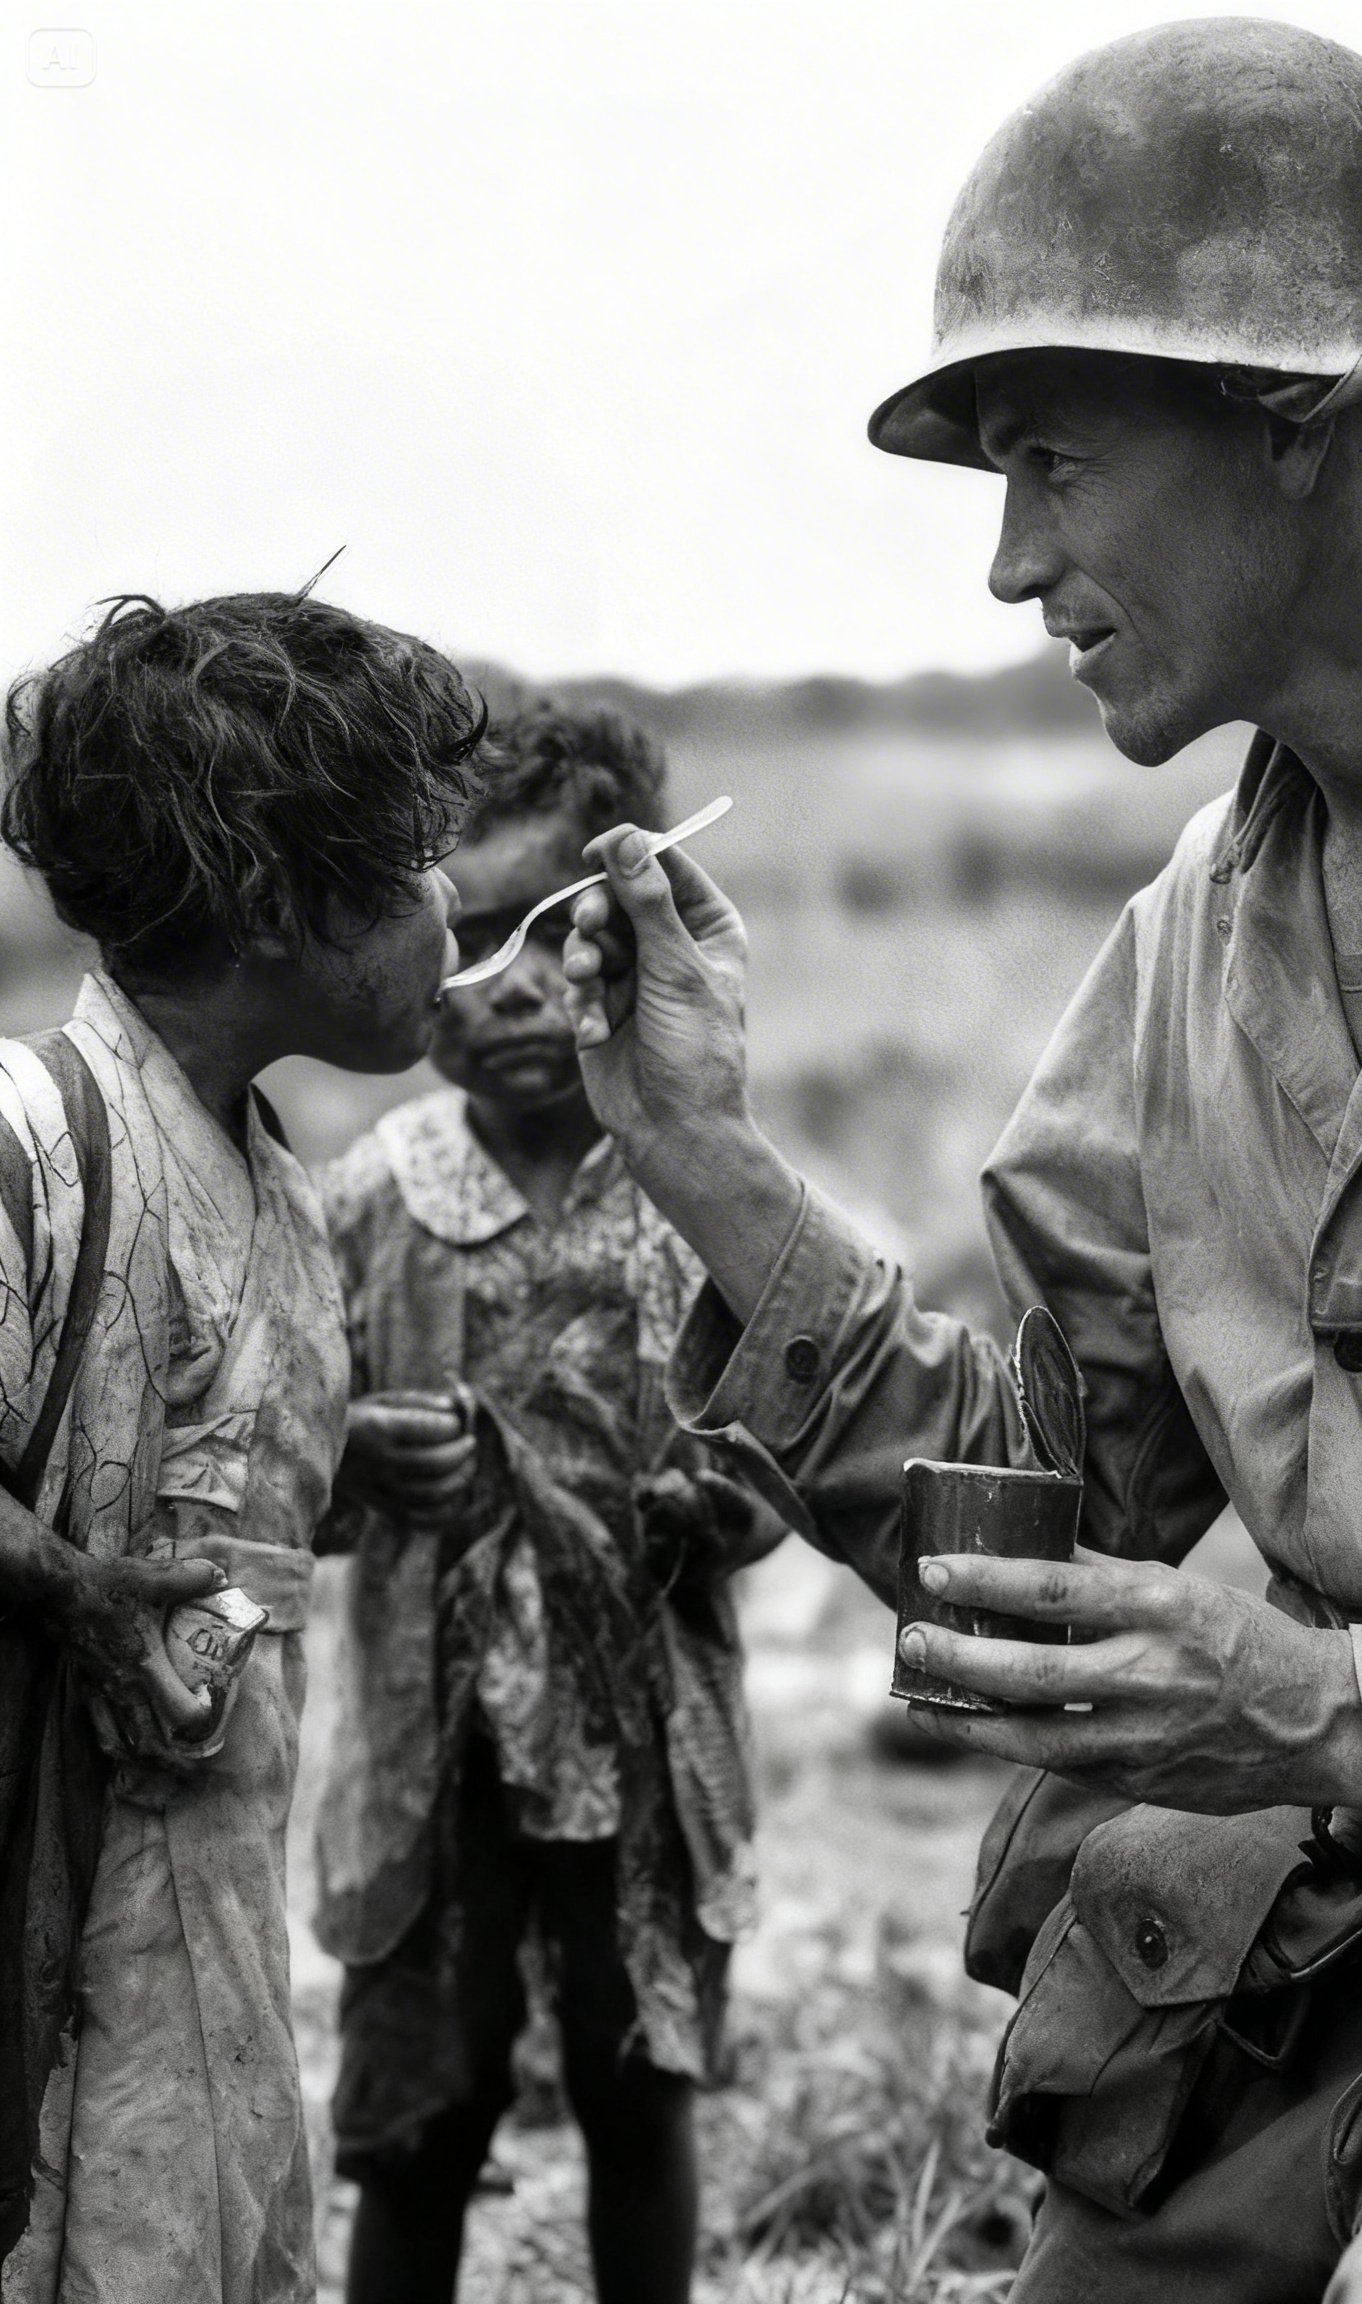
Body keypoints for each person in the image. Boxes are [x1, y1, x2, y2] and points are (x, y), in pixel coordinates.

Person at [558, 20, 1362, 2302]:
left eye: (1054, 462)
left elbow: (1287, 1693)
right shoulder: (1182, 958)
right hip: (1292, 1993)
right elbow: (1053, 1547)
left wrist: (1330, 1711)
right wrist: (705, 1165)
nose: (1011, 564)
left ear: (1293, 413)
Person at [0, 589, 481, 2302]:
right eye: (417, 860)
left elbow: (200, 1483)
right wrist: (69, 1589)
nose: (456, 904)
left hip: (206, 1878)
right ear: (276, 900)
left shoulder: (272, 1181)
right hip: (41, 1852)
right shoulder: (34, 1135)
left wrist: (345, 1487)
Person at [313, 700, 777, 2304]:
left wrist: (729, 1506)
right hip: (431, 1769)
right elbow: (269, 1467)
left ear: (625, 933)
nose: (501, 985)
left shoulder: (703, 1186)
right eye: (462, 932)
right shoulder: (370, 1201)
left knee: (636, 2090)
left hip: (647, 1750)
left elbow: (782, 1457)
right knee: (415, 2128)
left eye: (543, 934)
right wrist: (354, 1459)